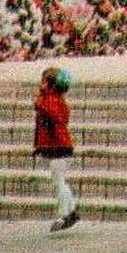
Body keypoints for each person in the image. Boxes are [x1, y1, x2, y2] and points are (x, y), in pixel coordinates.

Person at [34, 66, 80, 232]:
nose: (40, 84)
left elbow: (46, 111)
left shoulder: (51, 102)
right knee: (60, 181)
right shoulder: (57, 101)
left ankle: (63, 214)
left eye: (43, 81)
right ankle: (71, 210)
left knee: (58, 182)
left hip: (59, 147)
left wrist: (40, 98)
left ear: (50, 85)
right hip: (61, 147)